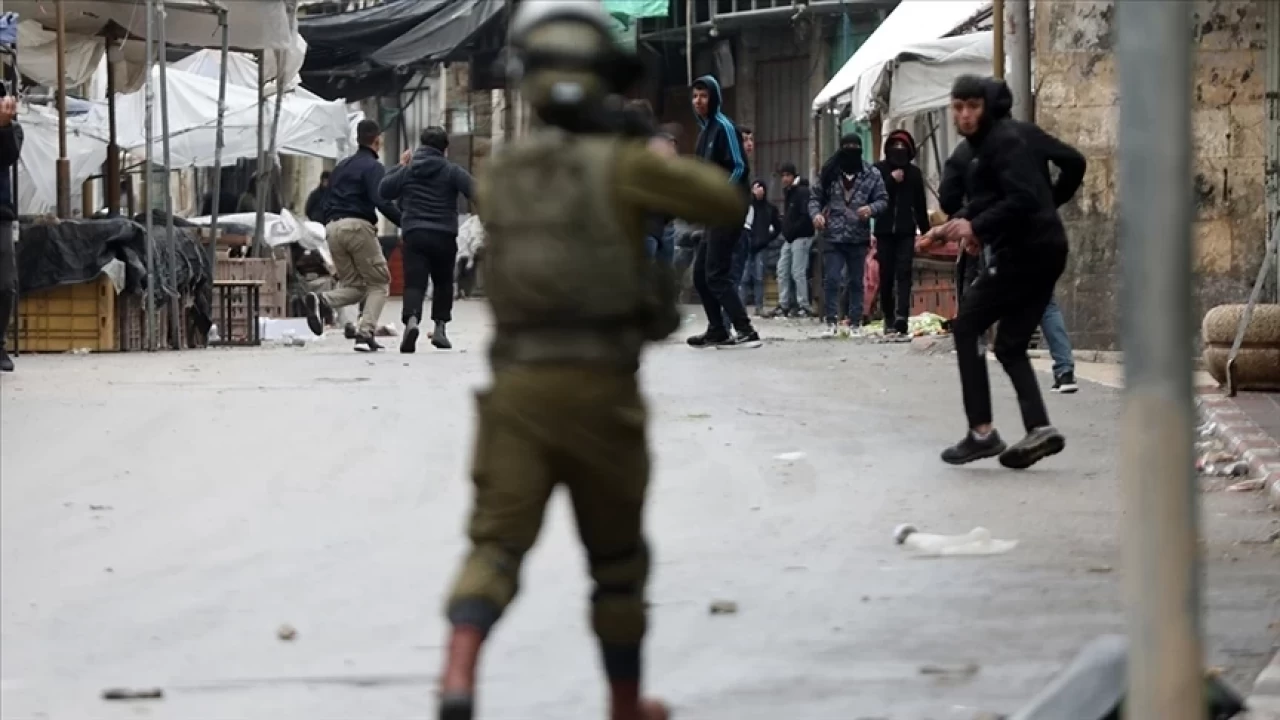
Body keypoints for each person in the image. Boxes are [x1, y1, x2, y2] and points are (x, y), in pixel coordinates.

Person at [435, 4, 746, 719]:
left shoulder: (504, 173)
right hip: (602, 389)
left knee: (495, 544)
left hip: (516, 388)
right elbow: (722, 203)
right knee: (616, 561)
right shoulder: (624, 165)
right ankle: (625, 703)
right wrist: (650, 151)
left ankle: (457, 674)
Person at [922, 75, 1069, 469]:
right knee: (1010, 344)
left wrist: (976, 226)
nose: (965, 116)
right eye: (958, 107)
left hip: (1025, 251)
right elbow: (995, 199)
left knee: (968, 324)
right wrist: (963, 227)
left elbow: (1021, 199)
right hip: (1048, 248)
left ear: (986, 107)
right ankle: (1039, 427)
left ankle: (982, 433)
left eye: (973, 107)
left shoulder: (1002, 142)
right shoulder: (990, 145)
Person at [936, 103, 1086, 394]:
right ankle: (1063, 369)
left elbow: (967, 198)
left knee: (988, 303)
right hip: (1037, 237)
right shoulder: (1027, 140)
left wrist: (972, 227)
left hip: (1008, 238)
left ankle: (992, 353)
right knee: (1044, 302)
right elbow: (1072, 164)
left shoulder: (986, 150)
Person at [303, 119, 403, 351]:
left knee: (356, 287)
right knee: (379, 283)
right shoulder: (373, 167)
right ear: (377, 140)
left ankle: (321, 300)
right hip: (357, 227)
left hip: (332, 229)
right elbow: (381, 200)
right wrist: (404, 221)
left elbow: (325, 201)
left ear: (358, 139)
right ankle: (364, 334)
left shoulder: (341, 167)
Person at [379, 126, 475, 353]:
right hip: (444, 234)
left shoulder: (408, 170)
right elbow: (476, 191)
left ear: (420, 146)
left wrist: (400, 165)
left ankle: (411, 322)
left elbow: (384, 191)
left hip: (415, 234)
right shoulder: (452, 171)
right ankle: (440, 328)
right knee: (443, 282)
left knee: (414, 282)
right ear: (445, 149)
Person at [685, 75, 761, 349]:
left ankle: (745, 329)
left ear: (714, 97)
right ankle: (717, 329)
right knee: (701, 276)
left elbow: (739, 167)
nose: (698, 101)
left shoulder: (724, 127)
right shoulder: (704, 132)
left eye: (704, 95)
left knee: (716, 274)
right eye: (695, 96)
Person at [809, 133, 888, 334]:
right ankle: (831, 321)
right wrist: (816, 214)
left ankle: (855, 322)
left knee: (856, 281)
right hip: (832, 235)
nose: (851, 151)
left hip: (857, 236)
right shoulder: (829, 172)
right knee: (832, 279)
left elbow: (883, 199)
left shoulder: (871, 174)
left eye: (855, 147)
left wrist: (871, 209)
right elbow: (815, 197)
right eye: (847, 147)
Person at [873, 130, 931, 335]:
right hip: (884, 231)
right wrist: (890, 180)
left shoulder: (914, 174)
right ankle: (888, 316)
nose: (898, 151)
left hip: (906, 231)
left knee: (904, 273)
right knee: (886, 275)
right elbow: (873, 197)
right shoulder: (878, 171)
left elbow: (920, 206)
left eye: (902, 147)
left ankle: (902, 317)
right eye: (894, 147)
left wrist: (927, 233)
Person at [771, 162, 814, 318]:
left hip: (801, 237)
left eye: (787, 175)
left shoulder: (802, 192)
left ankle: (804, 306)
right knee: (782, 270)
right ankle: (784, 304)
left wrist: (792, 230)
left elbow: (805, 216)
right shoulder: (790, 192)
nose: (784, 179)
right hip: (790, 238)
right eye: (782, 175)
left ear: (793, 176)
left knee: (798, 271)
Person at [0, 94, 24, 373]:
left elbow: (9, 156)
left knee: (6, 285)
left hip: (1, 217)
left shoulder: (12, 130)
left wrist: (4, 126)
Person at [739, 179, 781, 316]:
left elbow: (778, 227)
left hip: (761, 247)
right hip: (746, 245)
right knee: (744, 278)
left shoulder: (769, 209)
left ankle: (759, 307)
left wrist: (767, 238)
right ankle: (741, 307)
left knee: (758, 277)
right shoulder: (747, 206)